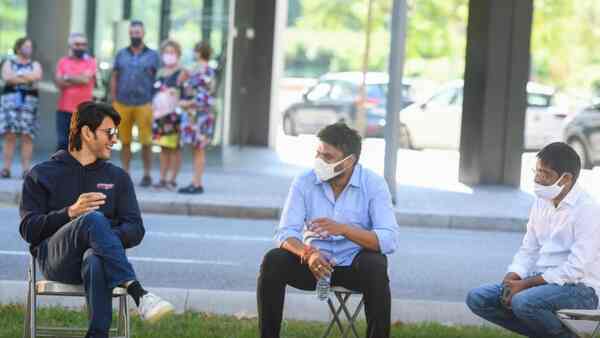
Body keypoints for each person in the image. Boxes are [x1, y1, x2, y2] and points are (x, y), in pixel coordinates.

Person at [19, 101, 175, 338]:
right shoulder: (41, 174)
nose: (115, 139)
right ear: (87, 132)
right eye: (109, 132)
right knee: (92, 219)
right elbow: (29, 230)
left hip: (99, 263)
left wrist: (100, 237)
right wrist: (71, 212)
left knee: (95, 256)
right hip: (56, 261)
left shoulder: (118, 177)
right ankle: (139, 293)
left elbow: (136, 229)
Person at [257, 122, 399, 338]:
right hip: (313, 266)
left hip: (353, 266)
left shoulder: (374, 184)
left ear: (348, 161)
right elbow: (285, 232)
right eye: (318, 154)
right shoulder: (304, 181)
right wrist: (308, 253)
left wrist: (344, 230)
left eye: (328, 157)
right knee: (273, 260)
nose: (319, 161)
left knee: (376, 264)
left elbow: (388, 239)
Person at [466, 142, 600, 338]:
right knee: (478, 298)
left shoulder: (587, 210)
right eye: (536, 171)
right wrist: (513, 275)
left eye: (545, 174)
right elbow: (529, 248)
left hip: (581, 290)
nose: (537, 178)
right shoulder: (541, 202)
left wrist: (525, 284)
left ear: (566, 179)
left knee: (524, 302)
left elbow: (576, 269)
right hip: (541, 282)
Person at [110, 20, 160, 186]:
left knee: (146, 142)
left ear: (143, 33)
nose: (135, 35)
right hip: (122, 102)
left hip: (145, 103)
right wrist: (113, 99)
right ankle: (125, 173)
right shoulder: (121, 54)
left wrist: (156, 101)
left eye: (138, 32)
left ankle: (147, 174)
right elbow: (115, 76)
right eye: (132, 33)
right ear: (129, 34)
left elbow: (159, 79)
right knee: (124, 141)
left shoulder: (153, 56)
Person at [0, 37, 42, 179]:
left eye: (30, 46)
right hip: (10, 103)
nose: (28, 49)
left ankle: (26, 170)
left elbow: (37, 75)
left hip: (29, 104)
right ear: (18, 47)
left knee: (27, 136)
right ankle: (6, 169)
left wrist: (16, 77)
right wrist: (27, 78)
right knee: (9, 135)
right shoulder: (8, 62)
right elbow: (7, 77)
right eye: (26, 46)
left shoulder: (35, 64)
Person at [178, 42, 215, 194]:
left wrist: (188, 102)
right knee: (196, 149)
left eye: (195, 50)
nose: (194, 53)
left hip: (200, 115)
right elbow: (182, 84)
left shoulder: (206, 70)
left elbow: (205, 96)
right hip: (194, 115)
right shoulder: (195, 69)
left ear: (200, 52)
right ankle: (195, 181)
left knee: (199, 149)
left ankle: (197, 183)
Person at [151, 39, 186, 190]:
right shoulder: (160, 72)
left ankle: (172, 179)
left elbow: (186, 92)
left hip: (174, 115)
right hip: (159, 115)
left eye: (172, 52)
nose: (169, 55)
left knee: (174, 147)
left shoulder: (183, 72)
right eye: (166, 52)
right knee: (163, 147)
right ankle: (162, 178)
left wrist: (176, 92)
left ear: (178, 54)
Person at [55, 32, 97, 151]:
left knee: (81, 144)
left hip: (84, 110)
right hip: (64, 109)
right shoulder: (63, 61)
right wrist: (77, 78)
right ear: (70, 46)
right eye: (77, 44)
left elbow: (85, 80)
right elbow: (59, 82)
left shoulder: (91, 62)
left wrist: (67, 77)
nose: (81, 47)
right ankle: (63, 169)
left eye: (83, 44)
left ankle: (79, 170)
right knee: (63, 143)